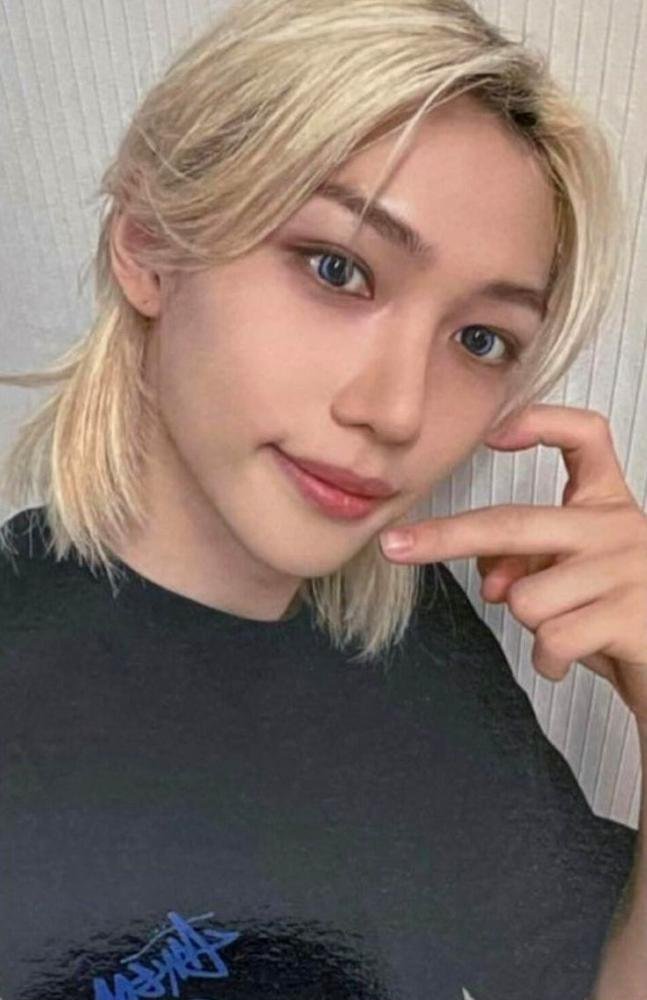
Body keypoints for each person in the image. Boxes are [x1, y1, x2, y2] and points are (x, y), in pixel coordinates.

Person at [0, 1, 640, 998]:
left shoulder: (415, 627)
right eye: (338, 269)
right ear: (149, 244)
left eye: (479, 340)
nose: (397, 411)